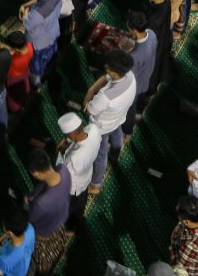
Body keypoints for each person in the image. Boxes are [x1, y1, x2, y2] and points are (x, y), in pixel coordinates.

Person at [85, 49, 138, 195]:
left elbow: (90, 110)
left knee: (100, 154)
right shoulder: (130, 75)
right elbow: (107, 77)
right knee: (116, 135)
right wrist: (92, 88)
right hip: (118, 118)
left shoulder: (106, 96)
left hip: (101, 127)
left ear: (114, 72)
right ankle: (115, 153)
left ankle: (95, 184)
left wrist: (87, 99)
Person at [24, 148, 72, 273]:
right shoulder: (63, 170)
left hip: (44, 233)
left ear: (37, 175)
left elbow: (29, 219)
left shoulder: (41, 203)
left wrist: (26, 203)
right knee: (58, 247)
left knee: (43, 265)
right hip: (60, 221)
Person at [20, 0, 63, 87]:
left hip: (38, 44)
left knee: (36, 66)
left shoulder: (37, 14)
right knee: (50, 58)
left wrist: (25, 11)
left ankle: (36, 84)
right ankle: (50, 70)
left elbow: (26, 24)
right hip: (53, 33)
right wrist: (26, 4)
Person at [56, 111, 101, 227]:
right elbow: (82, 140)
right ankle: (79, 217)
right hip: (86, 177)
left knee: (71, 208)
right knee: (82, 201)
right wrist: (69, 143)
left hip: (74, 187)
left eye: (67, 135)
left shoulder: (73, 158)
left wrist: (61, 152)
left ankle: (70, 228)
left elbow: (61, 170)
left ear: (70, 134)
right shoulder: (93, 130)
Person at [0, 207, 36, 276]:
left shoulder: (4, 261)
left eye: (3, 226)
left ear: (10, 233)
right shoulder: (29, 228)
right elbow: (7, 234)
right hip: (23, 265)